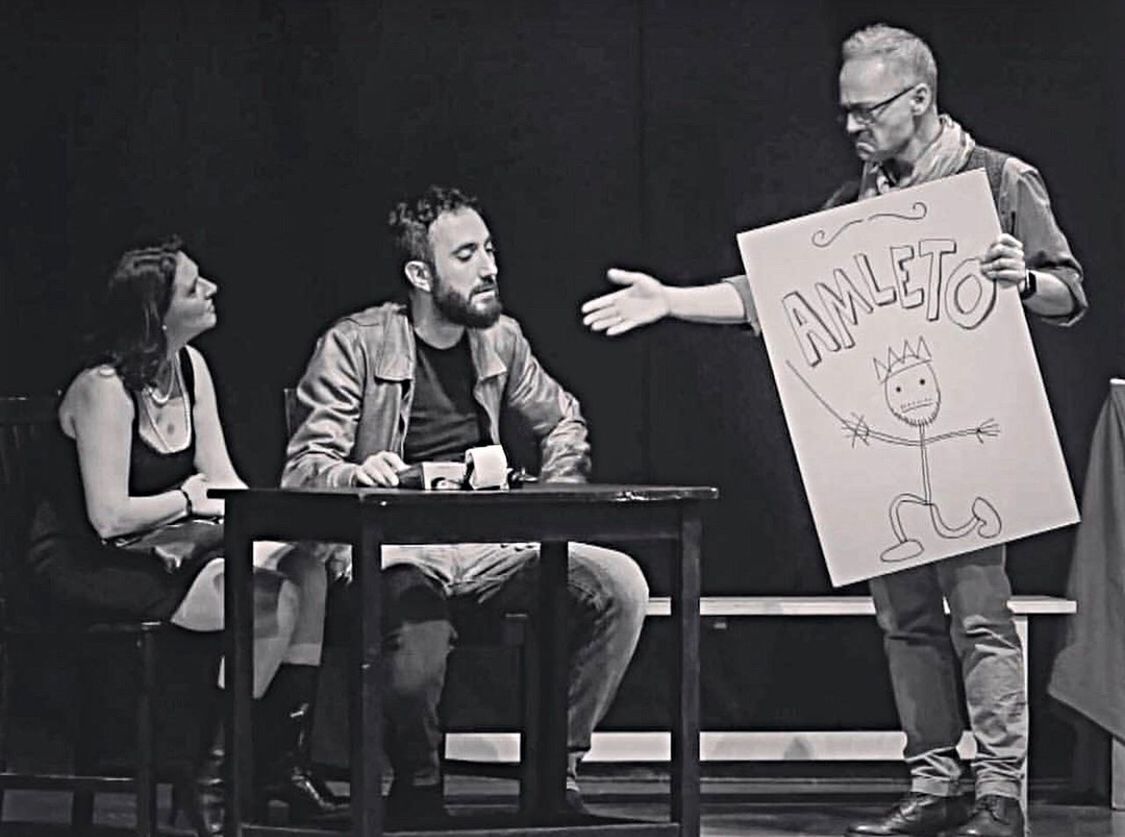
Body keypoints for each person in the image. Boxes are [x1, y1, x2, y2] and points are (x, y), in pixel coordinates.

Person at [582, 23, 1087, 837]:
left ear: (918, 99)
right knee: (906, 620)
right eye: (844, 112)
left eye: (867, 110)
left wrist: (1020, 278)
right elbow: (772, 293)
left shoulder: (997, 181)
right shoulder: (855, 203)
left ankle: (999, 792)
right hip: (881, 443)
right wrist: (674, 299)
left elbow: (1068, 291)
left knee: (981, 616)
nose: (852, 127)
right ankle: (932, 782)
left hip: (971, 437)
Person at [283, 185, 650, 826]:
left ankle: (552, 777)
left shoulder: (500, 340)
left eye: (490, 250)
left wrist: (556, 499)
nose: (490, 268)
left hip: (489, 545)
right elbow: (303, 469)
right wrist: (355, 474)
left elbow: (562, 419)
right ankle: (419, 788)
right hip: (392, 548)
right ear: (420, 275)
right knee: (414, 637)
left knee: (619, 584)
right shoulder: (356, 344)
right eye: (468, 255)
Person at [26, 238, 343, 835]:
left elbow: (224, 482)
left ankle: (277, 762)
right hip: (87, 562)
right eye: (196, 288)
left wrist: (279, 529)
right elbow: (108, 518)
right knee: (269, 598)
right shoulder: (105, 388)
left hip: (170, 548)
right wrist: (187, 500)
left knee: (305, 569)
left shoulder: (190, 369)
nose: (213, 291)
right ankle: (208, 782)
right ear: (157, 311)